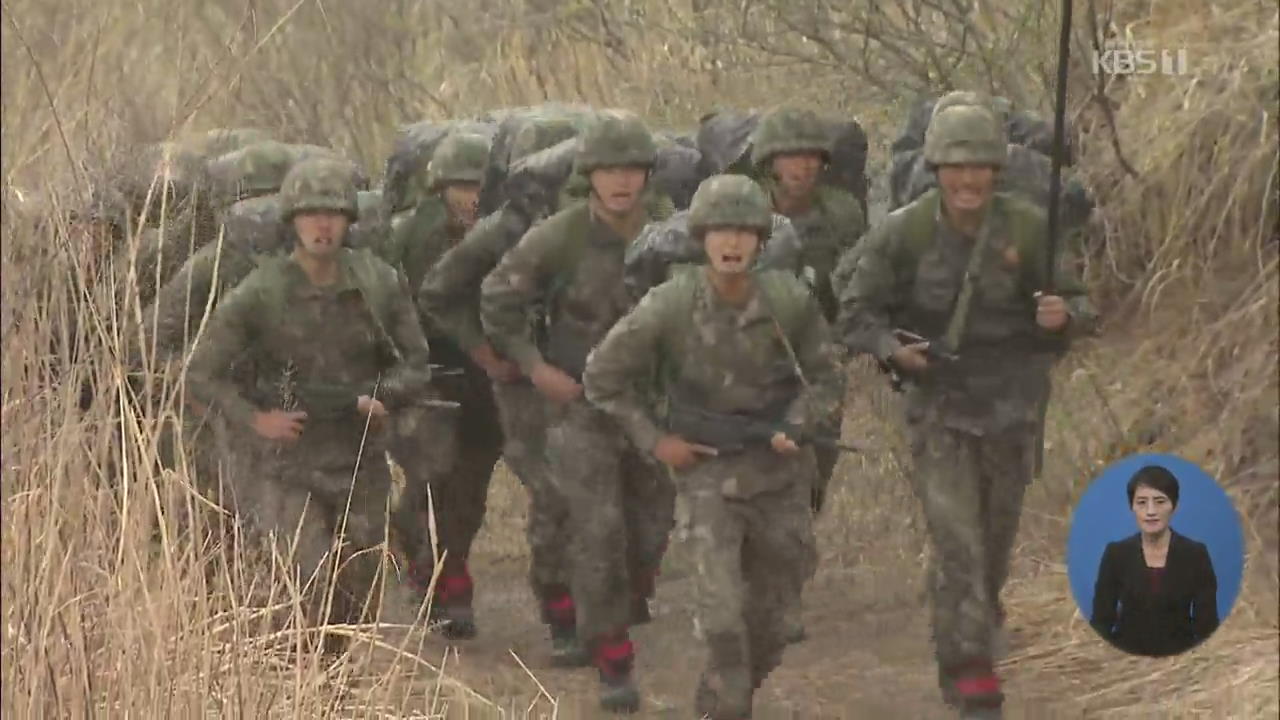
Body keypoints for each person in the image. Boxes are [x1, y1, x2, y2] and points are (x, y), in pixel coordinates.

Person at [837, 103, 1097, 719]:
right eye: (955, 167)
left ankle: (971, 620)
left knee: (994, 540)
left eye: (980, 166)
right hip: (941, 407)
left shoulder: (1032, 227)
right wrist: (893, 349)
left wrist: (1065, 316)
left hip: (1013, 405)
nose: (968, 180)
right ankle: (968, 668)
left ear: (997, 169)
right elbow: (855, 312)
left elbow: (1082, 304)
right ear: (936, 169)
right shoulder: (904, 232)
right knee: (957, 540)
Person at [584, 174, 841, 719]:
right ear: (701, 237)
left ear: (760, 241)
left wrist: (797, 425)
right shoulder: (670, 304)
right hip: (707, 477)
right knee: (722, 619)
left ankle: (725, 699)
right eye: (721, 231)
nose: (732, 243)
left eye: (744, 232)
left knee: (773, 624)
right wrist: (657, 441)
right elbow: (602, 376)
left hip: (780, 478)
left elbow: (826, 377)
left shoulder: (789, 300)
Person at [184, 157, 433, 648]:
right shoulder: (262, 291)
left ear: (349, 221)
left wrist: (380, 398)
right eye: (311, 214)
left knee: (358, 585)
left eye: (334, 214)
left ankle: (335, 685)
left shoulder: (378, 281)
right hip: (288, 463)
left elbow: (417, 366)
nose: (323, 225)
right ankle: (298, 681)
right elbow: (201, 375)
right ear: (292, 221)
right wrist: (257, 420)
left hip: (359, 457)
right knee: (305, 579)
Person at [480, 109, 676, 712]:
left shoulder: (671, 230)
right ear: (589, 176)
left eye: (632, 170)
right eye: (609, 170)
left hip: (650, 406)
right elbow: (498, 299)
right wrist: (535, 368)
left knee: (651, 527)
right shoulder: (559, 236)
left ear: (647, 175)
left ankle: (613, 608)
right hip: (580, 406)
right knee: (596, 529)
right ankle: (611, 657)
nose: (621, 182)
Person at [418, 116, 590, 664]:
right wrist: (482, 350)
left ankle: (579, 607)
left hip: (574, 381)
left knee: (580, 492)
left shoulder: (601, 224)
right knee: (464, 495)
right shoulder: (500, 229)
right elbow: (437, 293)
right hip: (484, 381)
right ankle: (454, 583)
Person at [750, 106, 867, 642]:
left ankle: (784, 586)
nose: (802, 167)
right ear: (769, 163)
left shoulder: (841, 213)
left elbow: (859, 278)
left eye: (811, 157)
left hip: (820, 362)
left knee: (813, 477)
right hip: (751, 362)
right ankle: (764, 593)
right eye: (790, 157)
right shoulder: (741, 206)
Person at [379, 131, 501, 639]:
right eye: (460, 185)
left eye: (479, 185)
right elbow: (386, 303)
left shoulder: (504, 233)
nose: (470, 195)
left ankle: (449, 569)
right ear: (439, 188)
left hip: (484, 378)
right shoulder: (408, 235)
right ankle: (436, 574)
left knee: (469, 491)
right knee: (431, 479)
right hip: (425, 375)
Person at [1090, 465, 1220, 656]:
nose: (1150, 511)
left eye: (1160, 501)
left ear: (1174, 506)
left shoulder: (1195, 554)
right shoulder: (1116, 554)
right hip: (1124, 660)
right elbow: (1101, 621)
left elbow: (1207, 626)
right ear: (1132, 507)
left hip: (1181, 661)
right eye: (1141, 502)